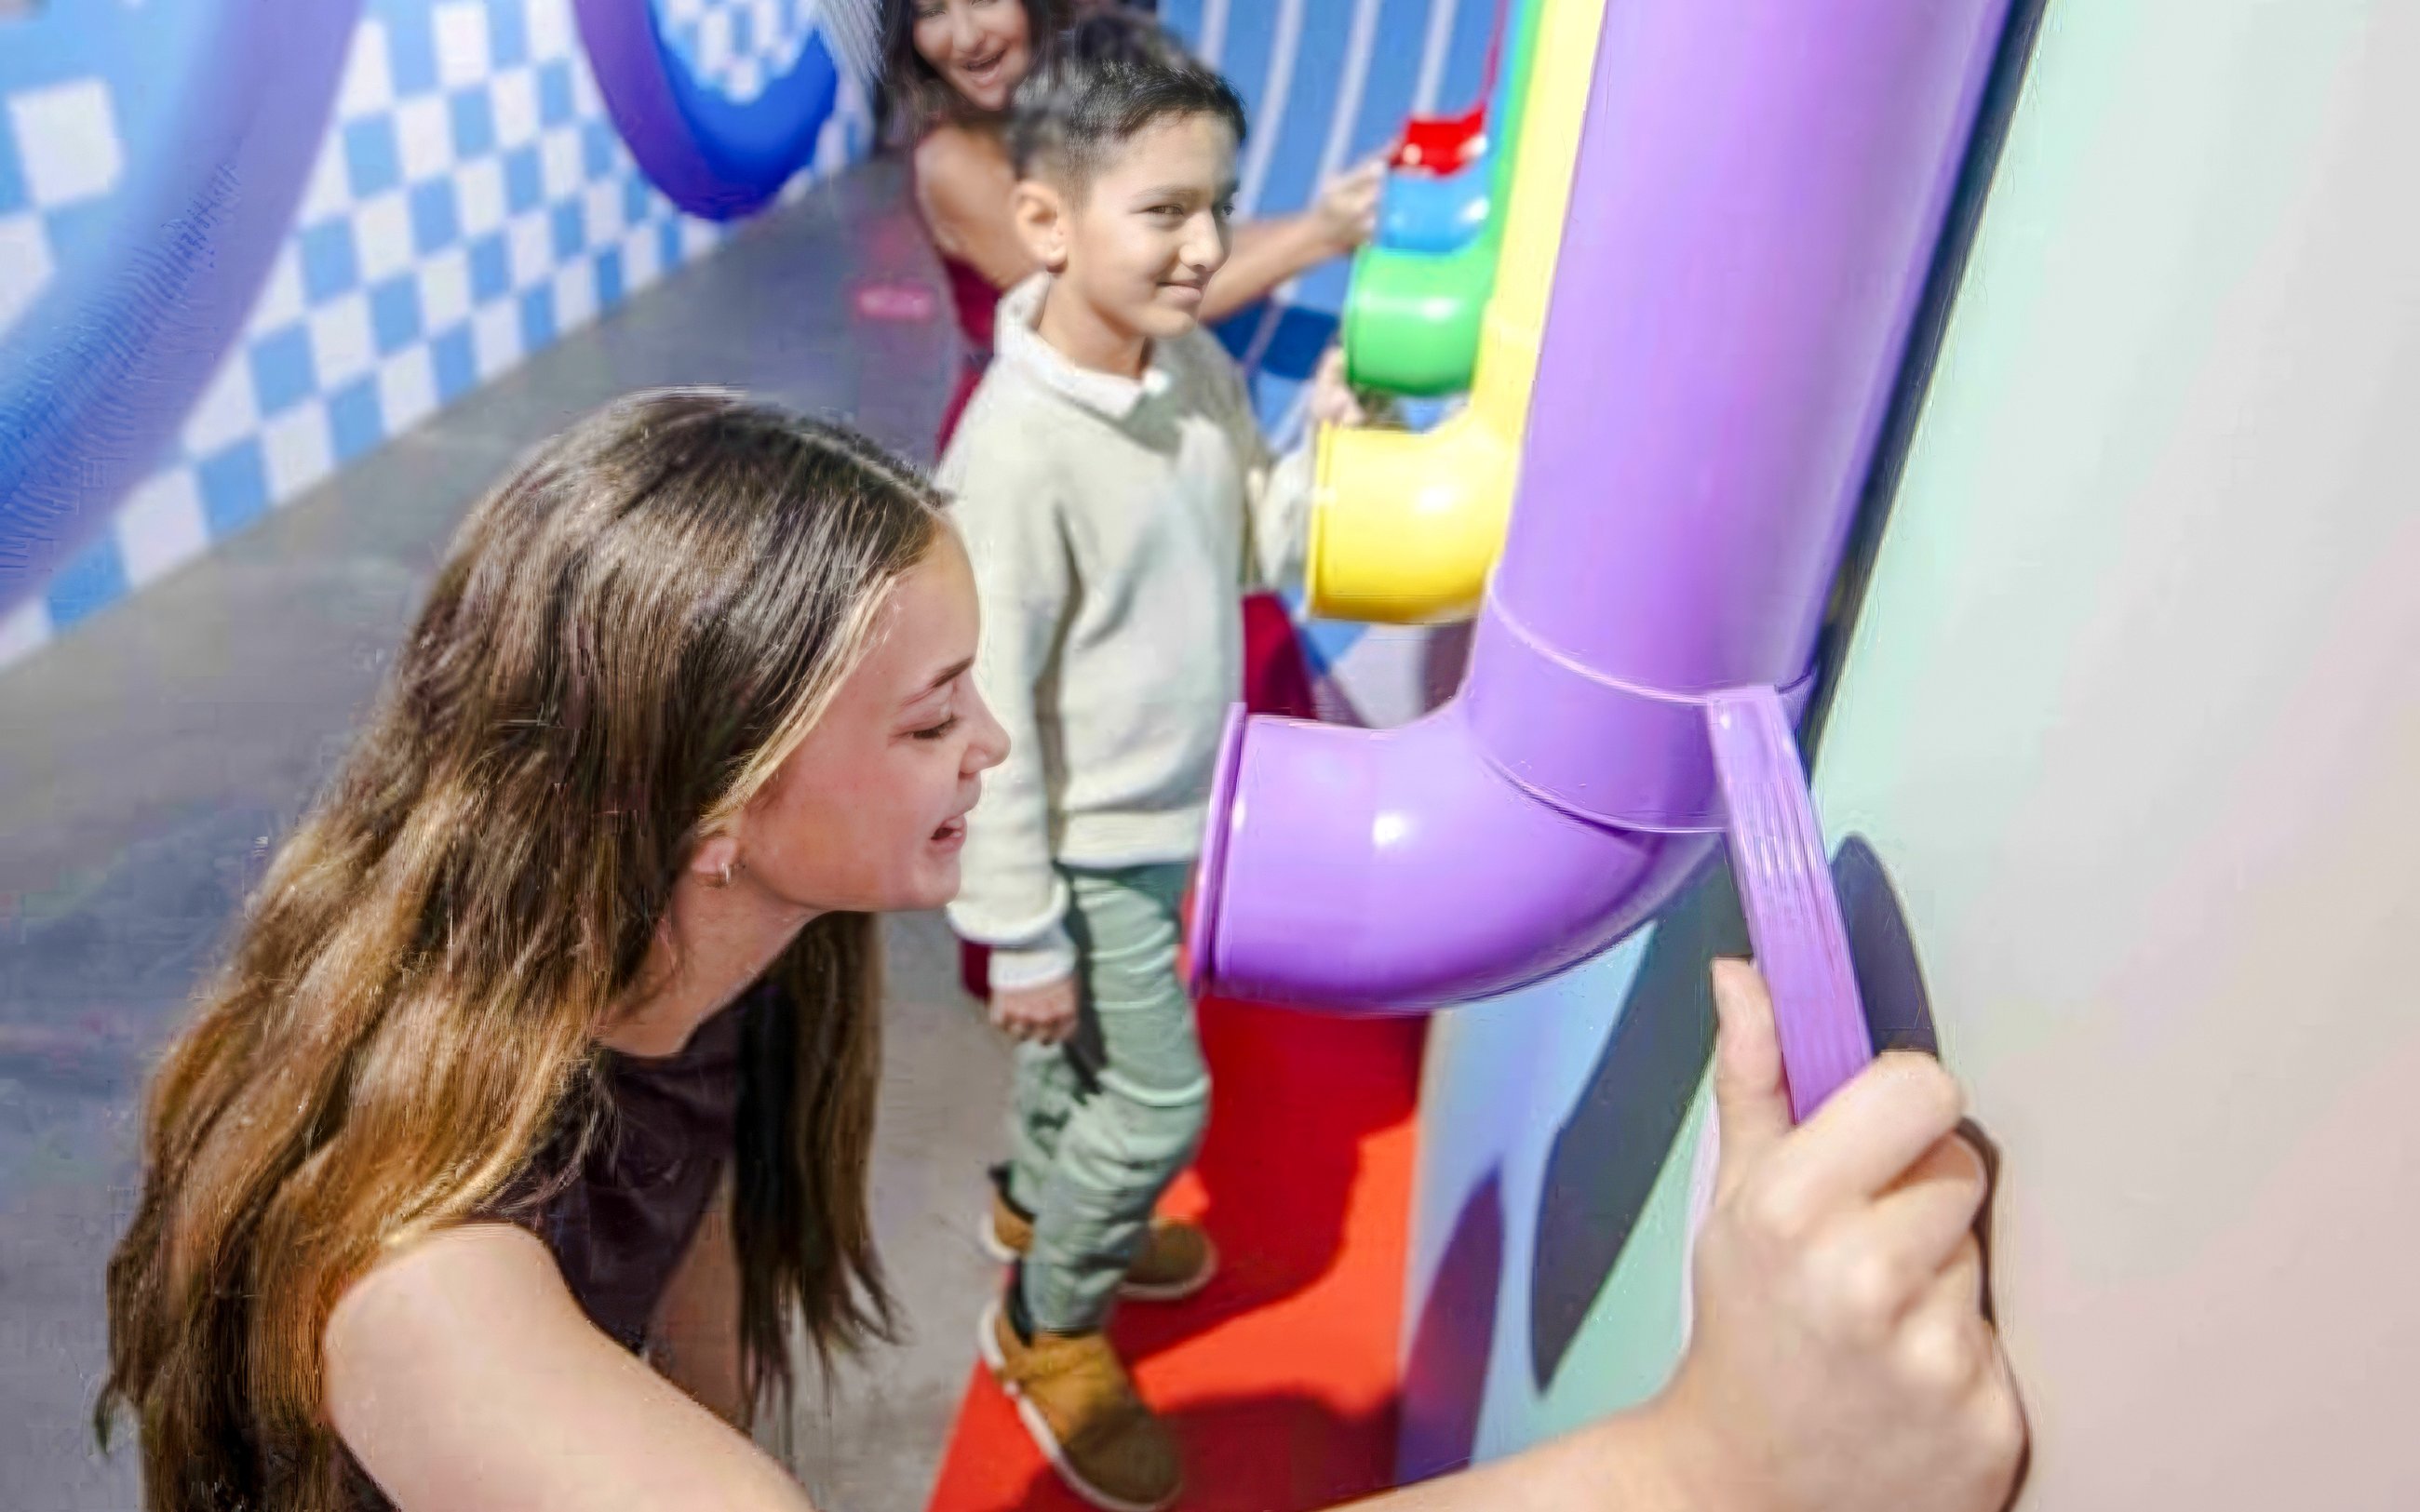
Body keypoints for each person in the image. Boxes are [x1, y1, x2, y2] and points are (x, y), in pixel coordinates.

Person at [92, 391, 2022, 1511]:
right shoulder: (423, 1278)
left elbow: (688, 1397)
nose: (991, 751)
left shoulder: (717, 964)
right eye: (933, 716)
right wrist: (1712, 1460)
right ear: (718, 793)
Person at [881, 0, 1381, 451]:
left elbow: (1175, 249)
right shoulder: (952, 162)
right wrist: (1321, 235)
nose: (965, 37)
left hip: (1123, 414)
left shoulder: (1057, 108)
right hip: (1040, 445)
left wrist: (1347, 217)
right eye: (931, 12)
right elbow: (1116, 303)